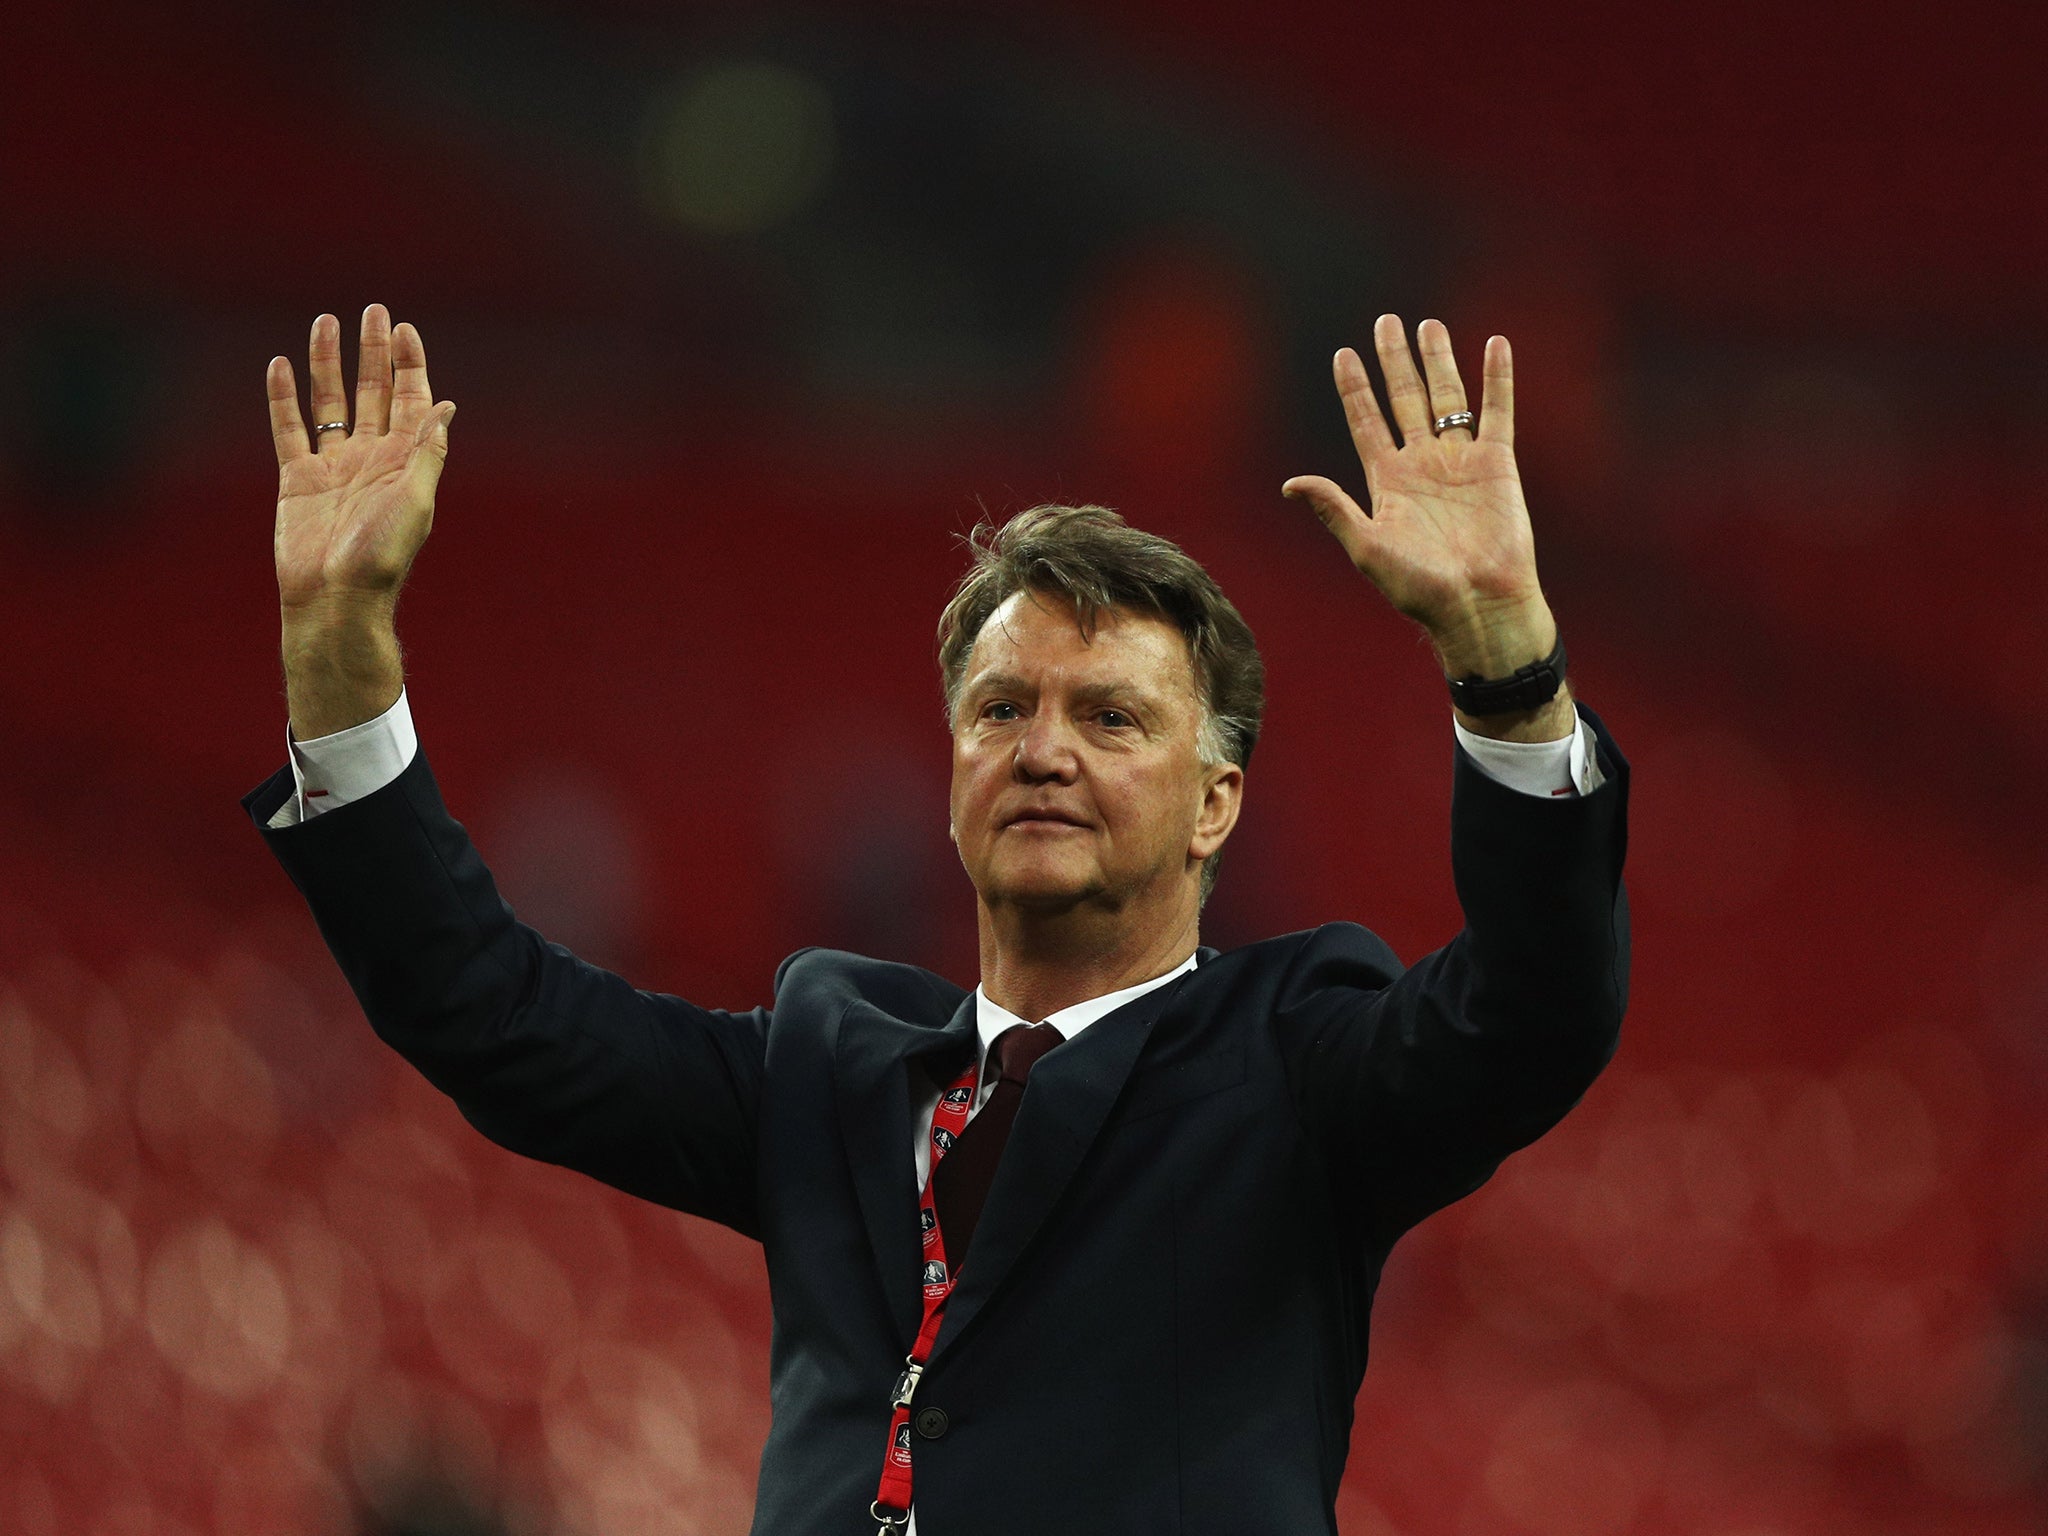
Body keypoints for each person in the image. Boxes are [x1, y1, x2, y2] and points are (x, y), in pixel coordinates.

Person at [244, 304, 1630, 1535]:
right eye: (1002, 710)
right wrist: (336, 645)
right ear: (955, 774)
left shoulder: (1297, 1072)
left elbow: (1536, 1009)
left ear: (1217, 805)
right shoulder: (828, 1068)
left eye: (1112, 719)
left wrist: (1507, 662)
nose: (1044, 749)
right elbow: (485, 1010)